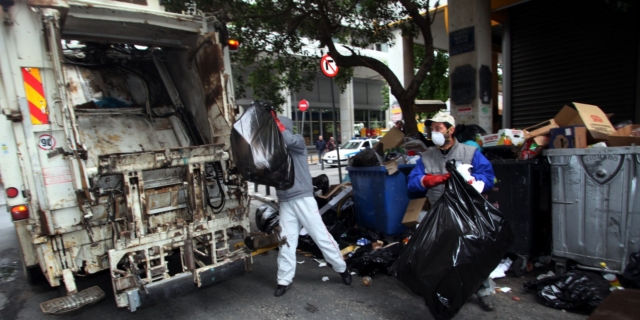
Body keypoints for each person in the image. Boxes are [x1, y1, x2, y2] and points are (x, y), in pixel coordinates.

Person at [406, 112, 496, 311]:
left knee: (474, 253)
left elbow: (488, 176)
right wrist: (425, 180)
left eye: (438, 128)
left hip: (467, 212)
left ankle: (483, 291)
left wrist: (476, 182)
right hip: (440, 213)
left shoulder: (470, 152)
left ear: (451, 130)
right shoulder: (427, 156)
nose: (434, 132)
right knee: (441, 256)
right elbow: (412, 184)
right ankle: (445, 293)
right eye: (432, 129)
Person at [270, 115, 351, 297]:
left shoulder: (296, 142)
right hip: (285, 200)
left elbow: (287, 139)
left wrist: (277, 125)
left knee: (320, 235)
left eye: (278, 127)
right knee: (286, 241)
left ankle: (341, 268)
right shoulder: (276, 151)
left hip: (302, 198)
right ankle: (283, 280)